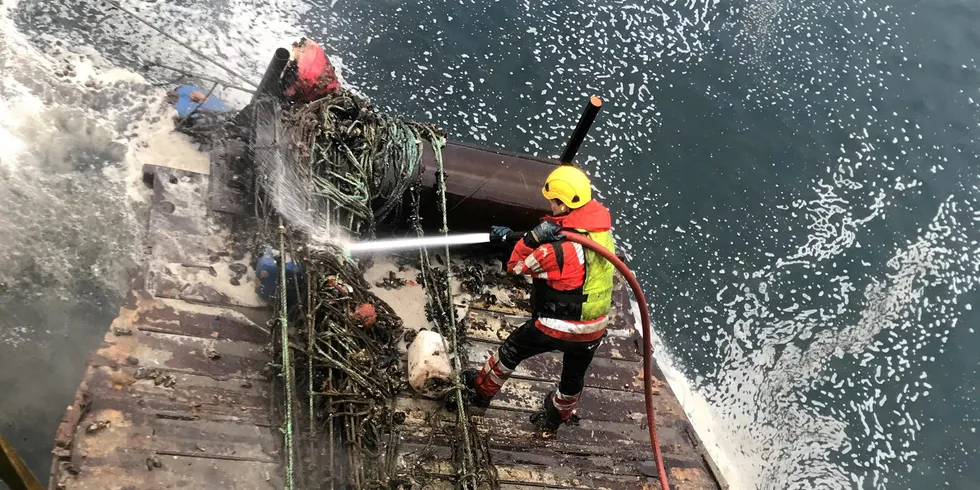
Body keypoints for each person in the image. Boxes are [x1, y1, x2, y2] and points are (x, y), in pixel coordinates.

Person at [464, 165, 616, 437]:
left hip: (558, 325)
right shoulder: (602, 234)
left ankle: (480, 392)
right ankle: (555, 418)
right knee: (572, 376)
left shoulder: (555, 250)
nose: (551, 206)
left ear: (562, 202)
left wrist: (528, 240)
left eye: (553, 202)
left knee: (511, 351)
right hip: (594, 327)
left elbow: (516, 266)